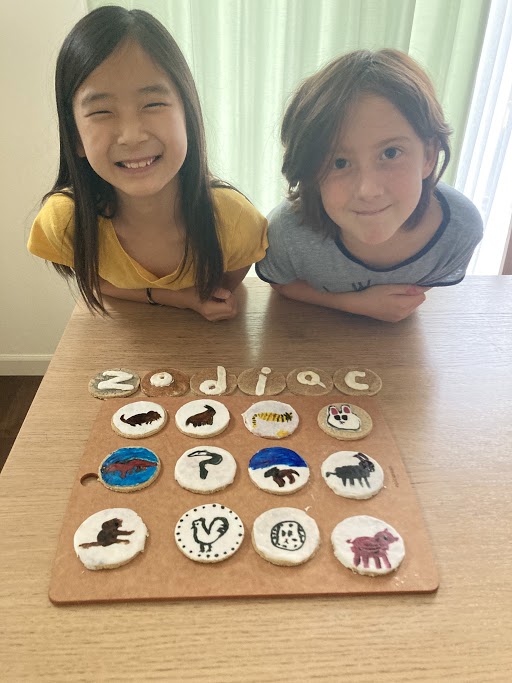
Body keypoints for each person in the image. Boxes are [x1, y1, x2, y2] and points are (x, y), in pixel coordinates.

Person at [28, 6, 267, 321]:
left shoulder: (236, 223)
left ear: (188, 117)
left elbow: (220, 291)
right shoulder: (65, 223)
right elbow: (94, 280)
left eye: (153, 103)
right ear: (75, 138)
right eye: (101, 111)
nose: (132, 136)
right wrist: (178, 298)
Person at [256, 49, 483, 322]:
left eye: (390, 153)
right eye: (340, 162)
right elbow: (281, 282)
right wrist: (355, 304)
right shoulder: (287, 234)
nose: (368, 190)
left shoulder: (459, 230)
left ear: (429, 155)